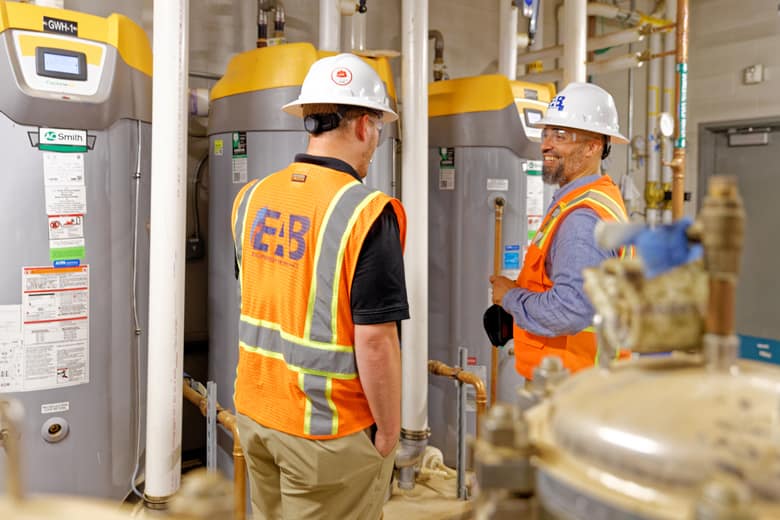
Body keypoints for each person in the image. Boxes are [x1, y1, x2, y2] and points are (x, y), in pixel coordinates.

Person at [230, 53, 407, 520]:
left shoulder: (251, 198)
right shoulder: (368, 212)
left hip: (256, 415)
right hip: (327, 431)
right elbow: (376, 340)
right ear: (365, 126)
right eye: (378, 129)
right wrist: (390, 431)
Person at [489, 82, 633, 380]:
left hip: (576, 385)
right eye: (546, 134)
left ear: (593, 146)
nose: (546, 145)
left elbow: (570, 310)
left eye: (561, 135)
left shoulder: (582, 218)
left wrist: (511, 298)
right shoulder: (591, 198)